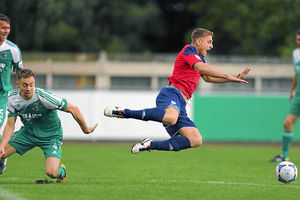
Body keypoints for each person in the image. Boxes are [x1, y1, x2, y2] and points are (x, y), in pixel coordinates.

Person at [104, 28, 250, 154]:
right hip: (171, 94)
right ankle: (124, 112)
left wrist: (232, 79)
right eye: (209, 42)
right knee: (171, 118)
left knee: (196, 140)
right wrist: (227, 75)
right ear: (198, 41)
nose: (211, 46)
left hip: (181, 104)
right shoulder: (188, 50)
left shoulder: (200, 59)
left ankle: (150, 144)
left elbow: (207, 78)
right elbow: (201, 69)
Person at [0, 69, 98, 183]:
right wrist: (2, 145)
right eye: (25, 85)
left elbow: (73, 109)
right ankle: (3, 160)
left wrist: (85, 129)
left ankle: (62, 171)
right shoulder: (12, 99)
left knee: (51, 173)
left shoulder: (43, 97)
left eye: (31, 85)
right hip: (28, 133)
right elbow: (10, 125)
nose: (29, 88)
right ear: (18, 85)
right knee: (0, 152)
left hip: (50, 137)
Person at [271, 30, 300, 162]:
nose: (298, 41)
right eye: (297, 39)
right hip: (298, 95)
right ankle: (284, 155)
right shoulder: (296, 53)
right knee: (287, 123)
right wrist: (292, 90)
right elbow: (296, 73)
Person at [0, 14, 23, 174]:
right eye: (2, 27)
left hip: (2, 96)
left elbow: (21, 73)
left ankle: (2, 156)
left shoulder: (12, 49)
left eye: (7, 28)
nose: (6, 31)